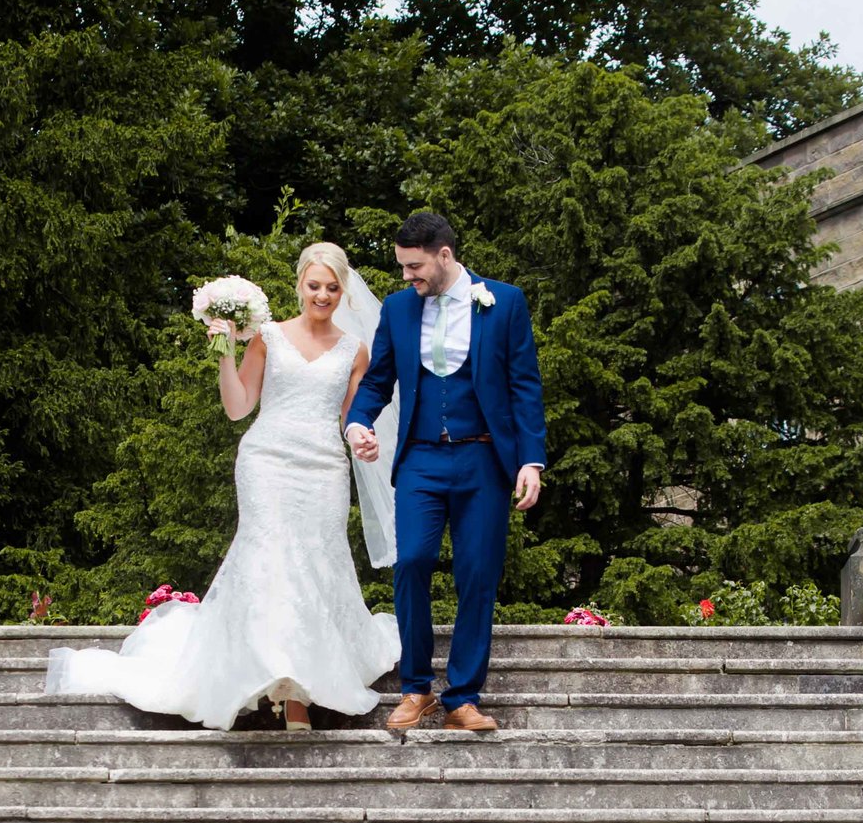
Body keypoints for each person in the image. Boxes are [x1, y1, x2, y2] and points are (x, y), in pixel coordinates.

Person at [44, 243, 398, 730]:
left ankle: (299, 682)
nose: (323, 295)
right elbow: (238, 408)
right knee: (271, 560)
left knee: (316, 564)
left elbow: (352, 420)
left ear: (343, 291)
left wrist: (364, 441)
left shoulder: (353, 350)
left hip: (323, 471)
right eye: (314, 285)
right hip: (267, 462)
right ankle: (283, 686)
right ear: (300, 285)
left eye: (332, 287)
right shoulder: (268, 338)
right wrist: (226, 353)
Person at [345, 211, 547, 734]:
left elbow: (525, 386)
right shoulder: (397, 309)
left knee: (477, 573)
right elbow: (377, 381)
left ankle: (463, 697)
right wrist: (357, 424)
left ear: (445, 255)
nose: (407, 278)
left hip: (483, 459)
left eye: (414, 268)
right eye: (402, 268)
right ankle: (416, 689)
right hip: (420, 458)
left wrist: (530, 459)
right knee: (410, 560)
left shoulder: (504, 302)